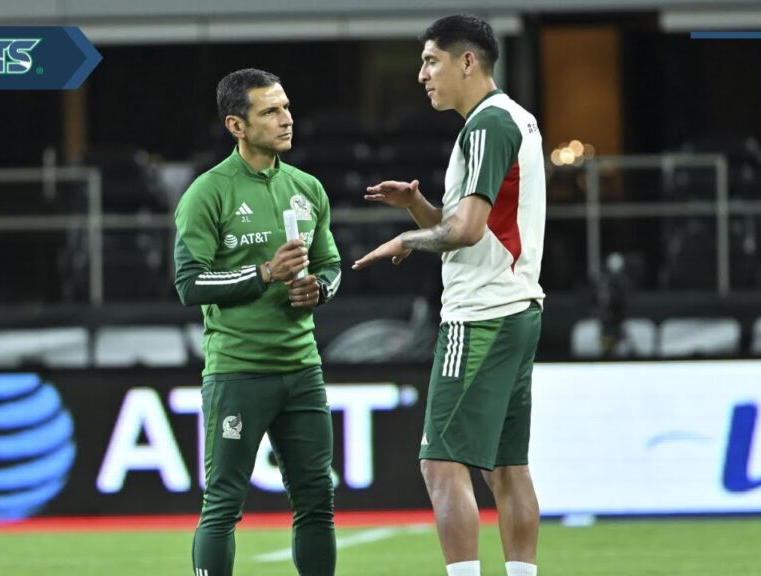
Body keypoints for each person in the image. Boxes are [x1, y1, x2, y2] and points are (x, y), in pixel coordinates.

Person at [352, 15, 546, 576]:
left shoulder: (486, 125)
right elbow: (475, 226)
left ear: (467, 62)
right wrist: (417, 207)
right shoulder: (519, 120)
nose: (421, 75)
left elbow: (463, 232)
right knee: (507, 466)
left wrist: (406, 238)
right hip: (517, 306)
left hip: (480, 314)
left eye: (430, 61)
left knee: (440, 463)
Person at [173, 68, 342, 576]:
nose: (286, 119)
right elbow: (190, 285)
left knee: (318, 503)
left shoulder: (307, 188)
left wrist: (319, 289)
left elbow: (330, 266)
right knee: (223, 506)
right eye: (270, 111)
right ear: (236, 125)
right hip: (238, 373)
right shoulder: (208, 192)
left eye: (286, 107)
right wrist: (266, 272)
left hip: (302, 369)